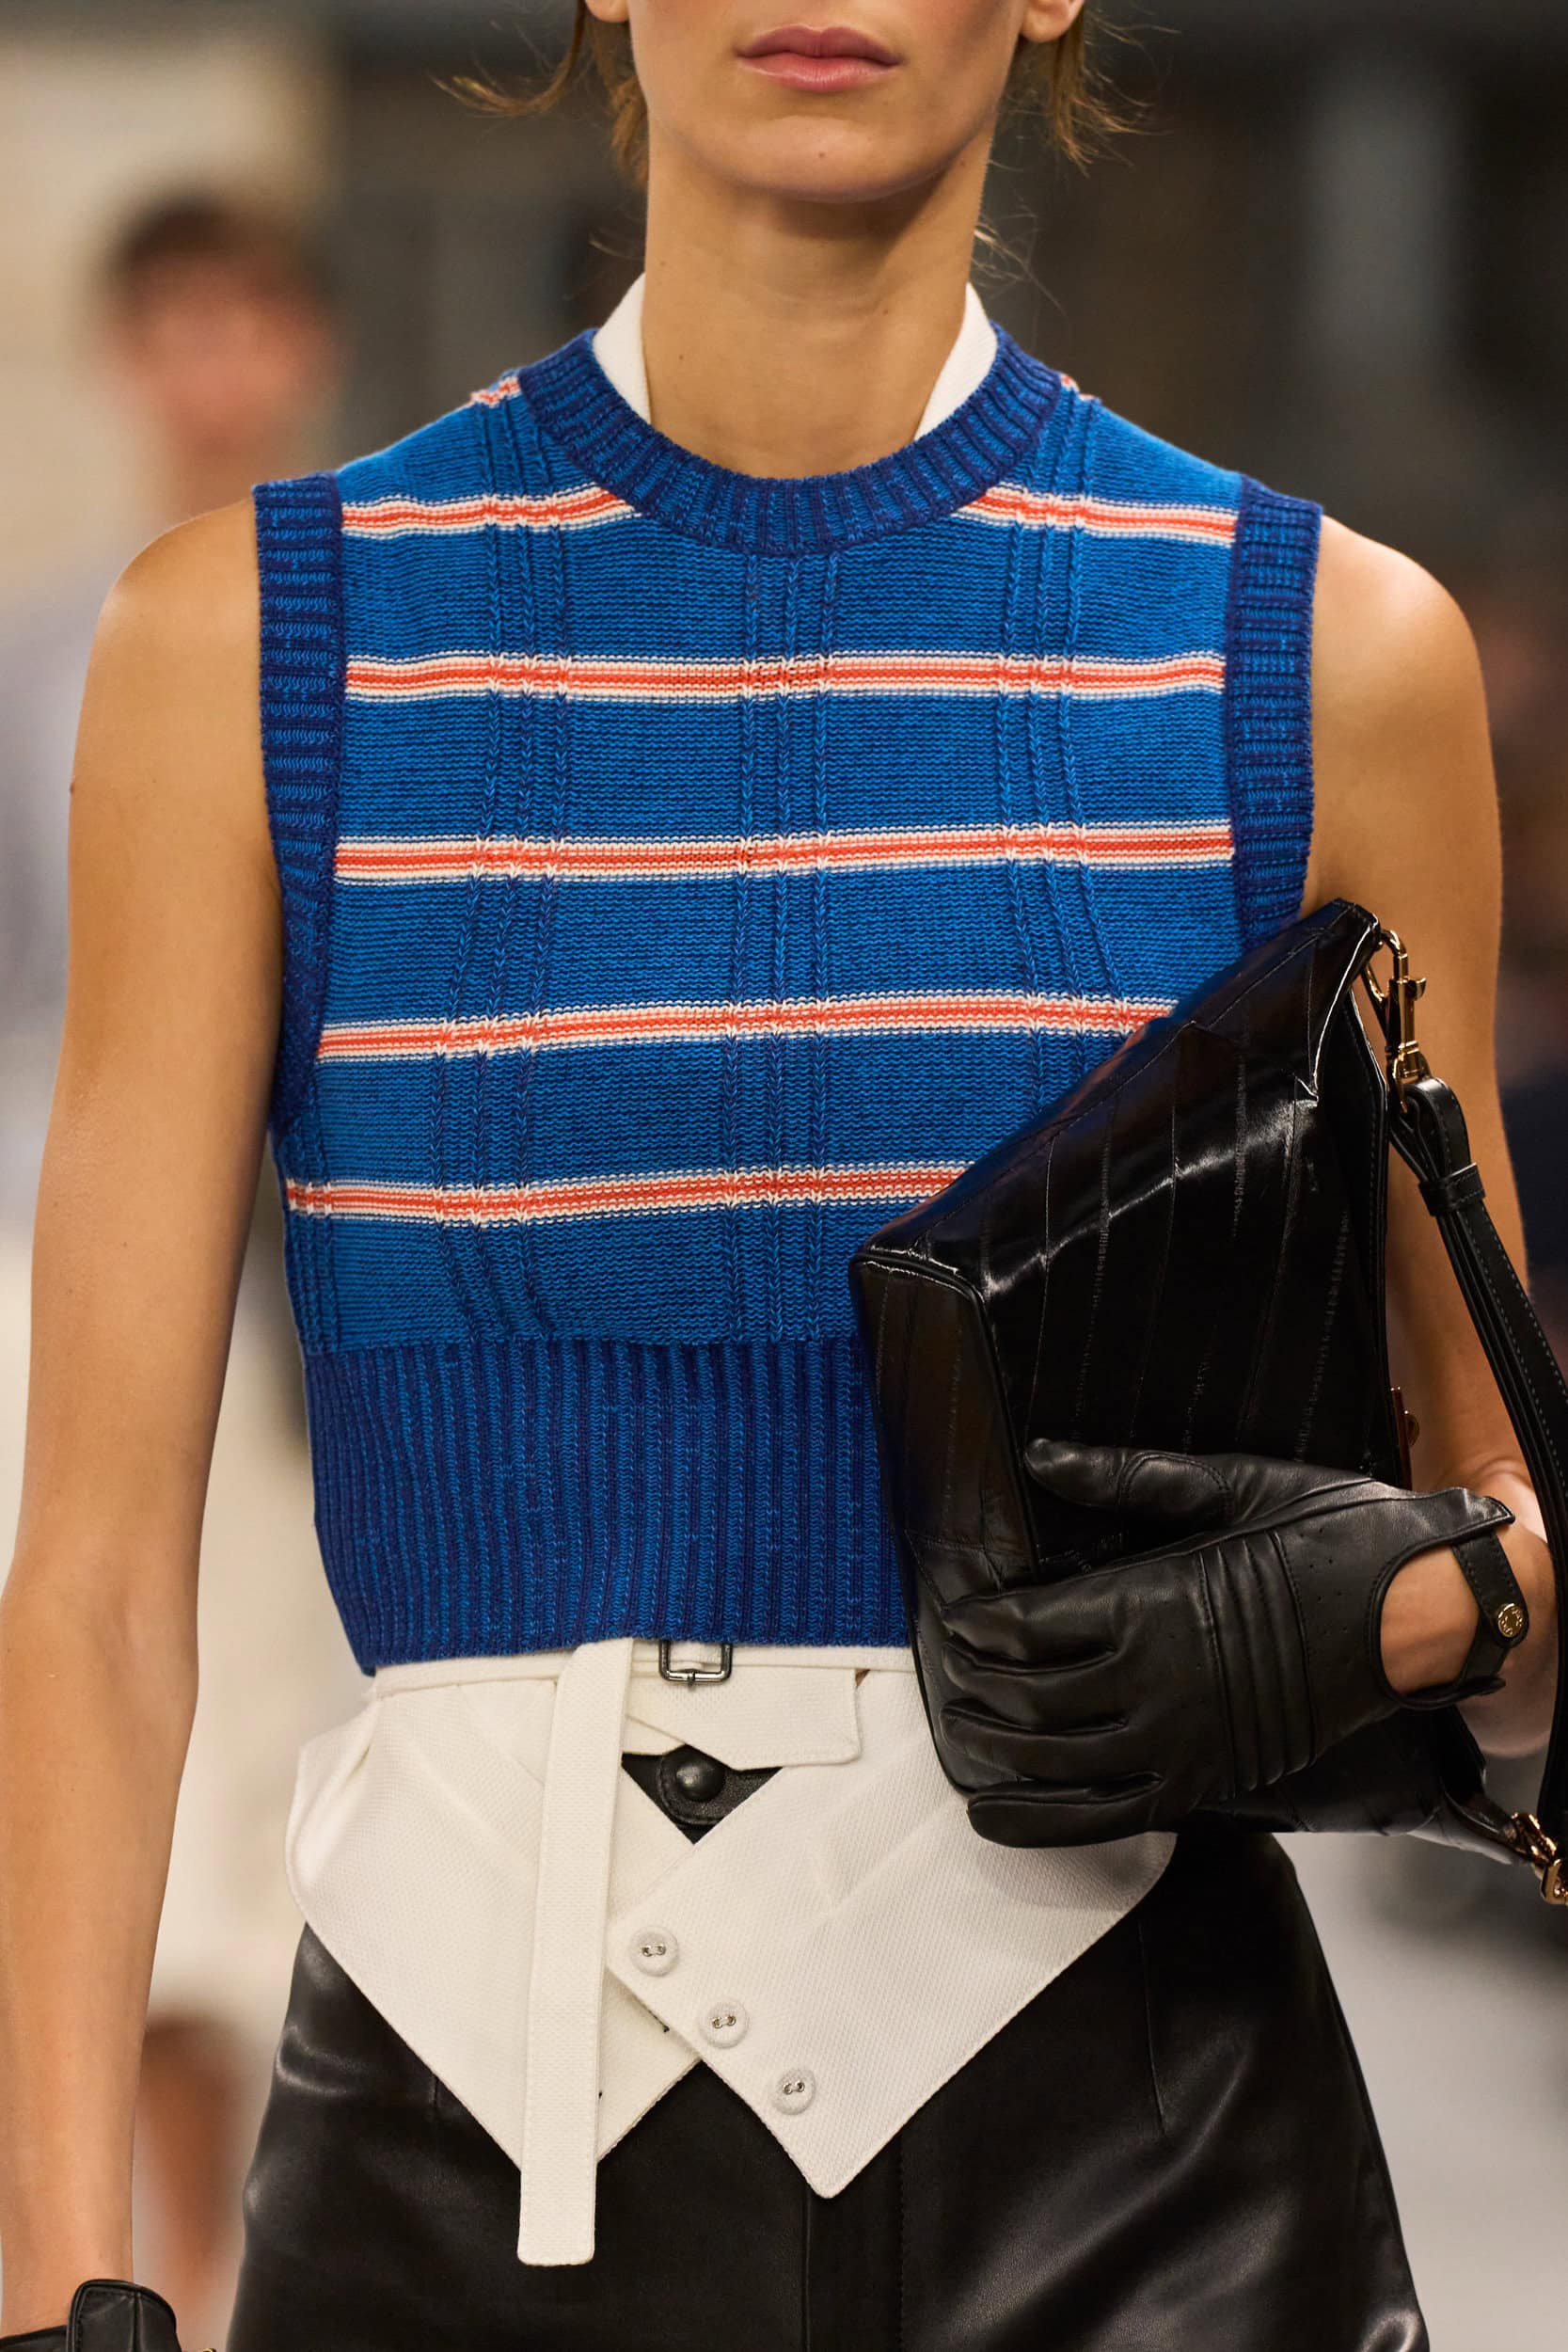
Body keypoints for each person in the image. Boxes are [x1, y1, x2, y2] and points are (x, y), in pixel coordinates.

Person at [0, 7, 1558, 2348]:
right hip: (449, 2164)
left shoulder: (1323, 657)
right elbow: (96, 1583)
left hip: (1151, 2181)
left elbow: (1518, 1542)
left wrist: (1371, 1622)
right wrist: (58, 2280)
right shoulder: (252, 649)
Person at [0, 194, 358, 2347]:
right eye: (175, 330)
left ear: (297, 344)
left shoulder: (386, 635)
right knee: (90, 1724)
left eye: (245, 323)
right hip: (87, 1287)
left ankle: (211, 2263)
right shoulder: (45, 652)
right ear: (126, 359)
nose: (212, 370)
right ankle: (96, 2256)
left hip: (321, 1305)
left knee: (262, 1800)